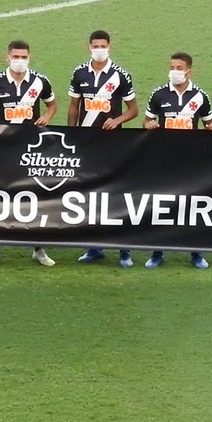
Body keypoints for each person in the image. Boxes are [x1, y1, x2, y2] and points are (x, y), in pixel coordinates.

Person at [0, 39, 58, 268]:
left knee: (34, 195)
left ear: (29, 57)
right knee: (2, 195)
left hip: (31, 148)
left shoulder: (40, 81)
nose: (20, 61)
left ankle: (38, 247)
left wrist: (47, 117)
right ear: (8, 57)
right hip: (3, 147)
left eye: (24, 57)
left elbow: (52, 105)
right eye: (16, 56)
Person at [68, 30, 140, 267]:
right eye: (95, 45)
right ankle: (94, 247)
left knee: (116, 195)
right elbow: (73, 106)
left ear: (110, 46)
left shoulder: (120, 75)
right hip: (87, 144)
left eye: (103, 45)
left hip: (112, 144)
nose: (99, 48)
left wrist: (117, 121)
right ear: (88, 46)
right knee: (90, 195)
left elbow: (133, 110)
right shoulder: (79, 73)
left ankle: (124, 250)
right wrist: (73, 133)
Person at [142, 52, 212, 270]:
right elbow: (147, 120)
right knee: (161, 206)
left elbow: (209, 123)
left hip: (190, 160)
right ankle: (157, 252)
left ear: (188, 71)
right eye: (172, 67)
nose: (174, 71)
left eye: (179, 67)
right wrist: (147, 124)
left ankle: (196, 253)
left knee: (192, 206)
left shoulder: (200, 97)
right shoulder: (159, 94)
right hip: (164, 159)